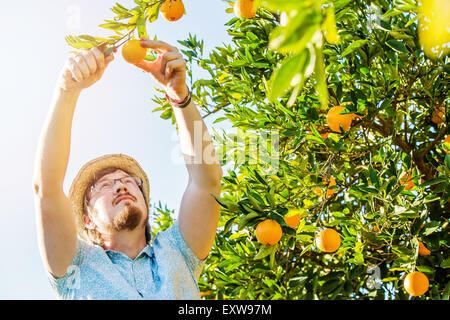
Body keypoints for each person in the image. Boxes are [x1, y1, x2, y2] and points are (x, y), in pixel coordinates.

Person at [32, 39, 223, 299]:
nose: (121, 184)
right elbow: (47, 189)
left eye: (128, 180)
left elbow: (207, 181)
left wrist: (180, 98)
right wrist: (67, 89)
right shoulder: (75, 268)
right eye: (104, 185)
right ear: (88, 220)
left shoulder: (178, 251)